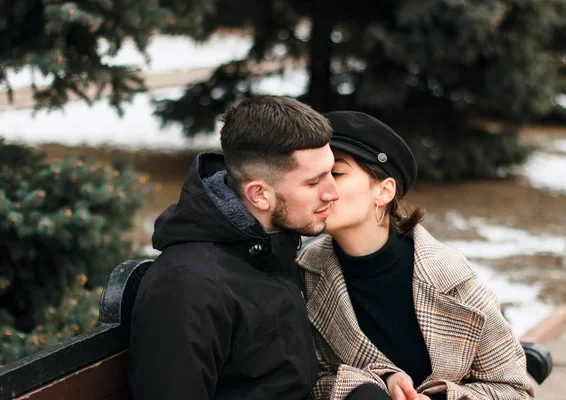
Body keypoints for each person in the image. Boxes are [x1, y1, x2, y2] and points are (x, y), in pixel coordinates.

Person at [297, 111, 535, 400]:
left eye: (336, 173)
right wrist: (372, 386)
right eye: (314, 178)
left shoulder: (451, 279)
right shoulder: (304, 273)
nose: (322, 190)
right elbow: (302, 381)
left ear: (384, 192)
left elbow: (513, 389)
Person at [128, 96, 340, 400]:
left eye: (332, 172)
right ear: (259, 195)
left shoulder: (270, 248)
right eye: (313, 182)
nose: (333, 192)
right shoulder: (189, 286)